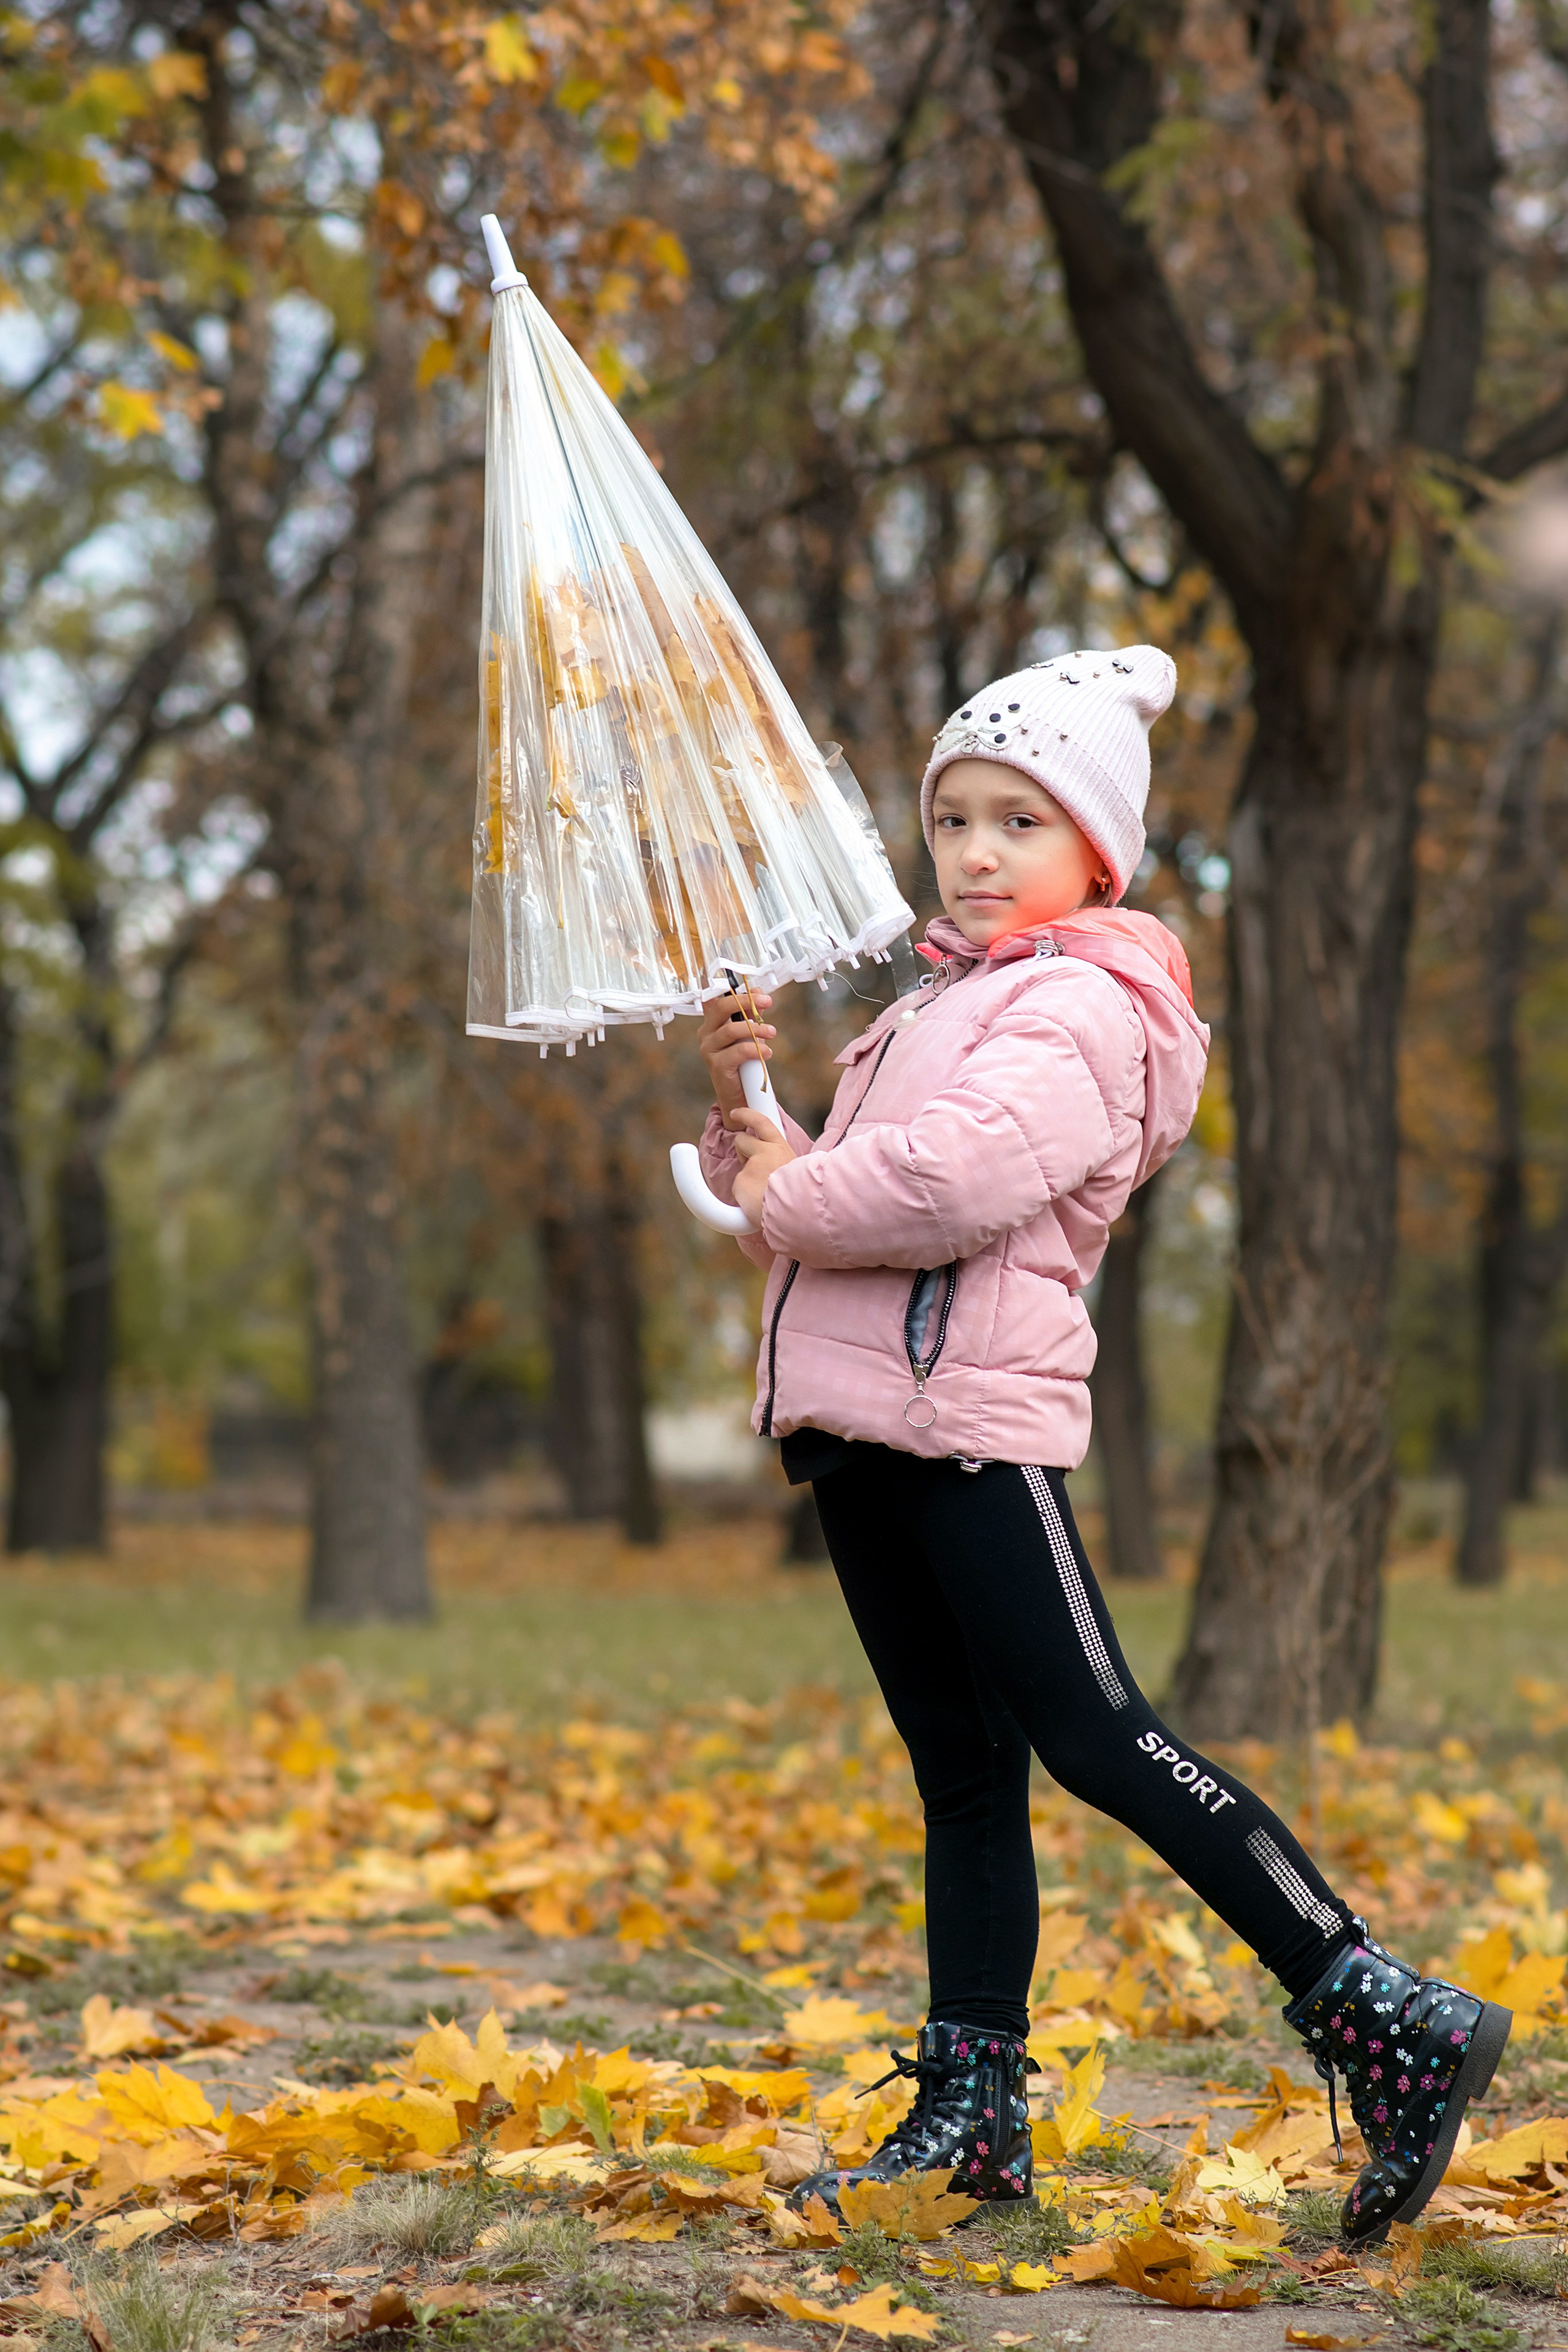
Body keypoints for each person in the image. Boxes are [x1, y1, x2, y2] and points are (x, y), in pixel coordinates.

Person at [693, 647, 1510, 2245]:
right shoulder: (935, 1009)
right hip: (865, 1433)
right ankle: (973, 2116)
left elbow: (954, 1187)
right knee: (964, 1777)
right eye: (954, 820)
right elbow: (829, 1220)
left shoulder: (1082, 1002)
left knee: (1103, 1737)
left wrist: (788, 1194)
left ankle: (1380, 2011)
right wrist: (758, 1136)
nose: (980, 852)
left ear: (1097, 852)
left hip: (969, 1430)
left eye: (1020, 820)